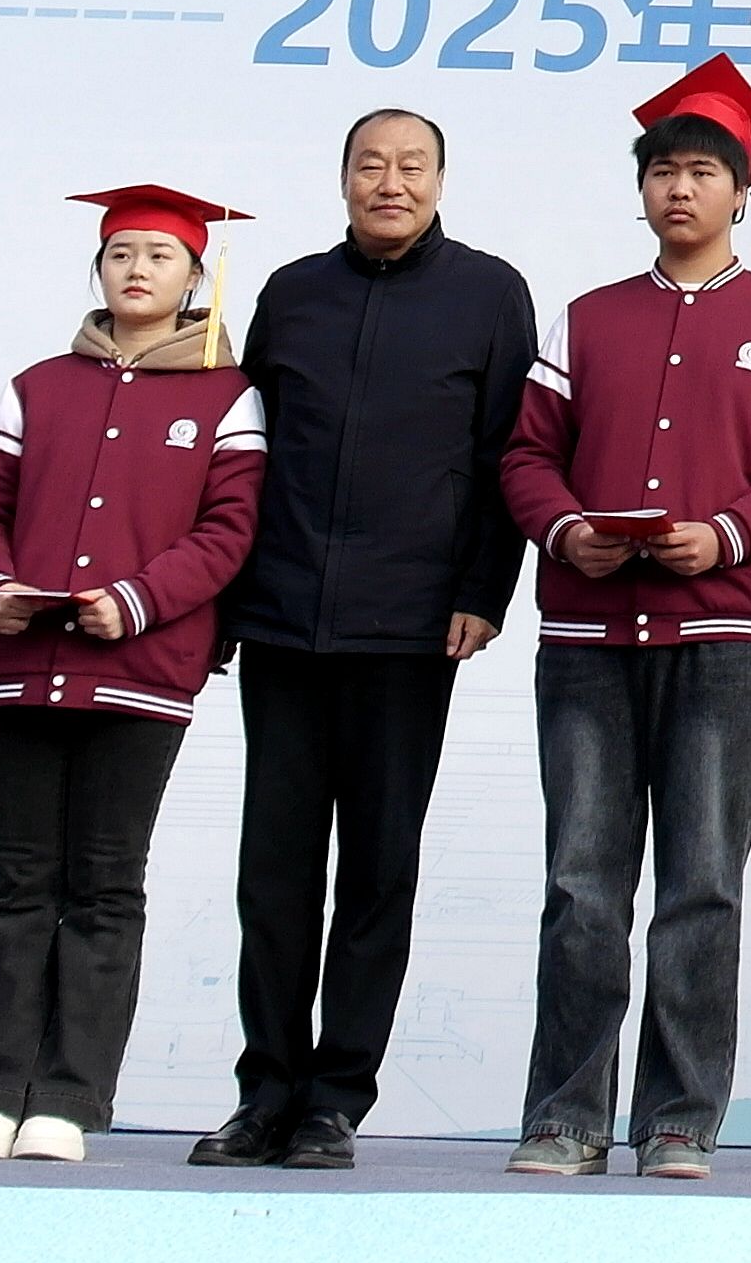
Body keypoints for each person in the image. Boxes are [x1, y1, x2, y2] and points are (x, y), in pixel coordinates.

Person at [498, 56, 751, 1181]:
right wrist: (567, 532)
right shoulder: (588, 318)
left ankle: (680, 1118)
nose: (681, 189)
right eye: (663, 171)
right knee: (581, 885)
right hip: (589, 641)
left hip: (723, 640)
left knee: (701, 886)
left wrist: (731, 535)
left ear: (742, 193)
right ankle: (564, 1115)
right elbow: (525, 456)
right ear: (641, 189)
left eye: (703, 172)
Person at [200, 108, 535, 1172]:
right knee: (275, 872)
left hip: (412, 623)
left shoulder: (490, 293)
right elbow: (242, 451)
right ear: (343, 178)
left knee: (379, 866)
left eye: (412, 165)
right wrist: (223, 602)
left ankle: (336, 1098)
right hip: (283, 615)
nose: (391, 182)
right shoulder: (294, 291)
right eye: (371, 164)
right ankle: (264, 1092)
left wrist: (483, 589)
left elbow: (507, 453)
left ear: (441, 180)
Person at [0, 186, 266, 1164]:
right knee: (18, 882)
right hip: (21, 665)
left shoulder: (227, 396)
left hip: (140, 672)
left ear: (194, 277)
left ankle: (69, 1097)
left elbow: (229, 530)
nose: (137, 270)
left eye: (160, 256)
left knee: (105, 885)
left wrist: (137, 599)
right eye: (121, 253)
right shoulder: (37, 386)